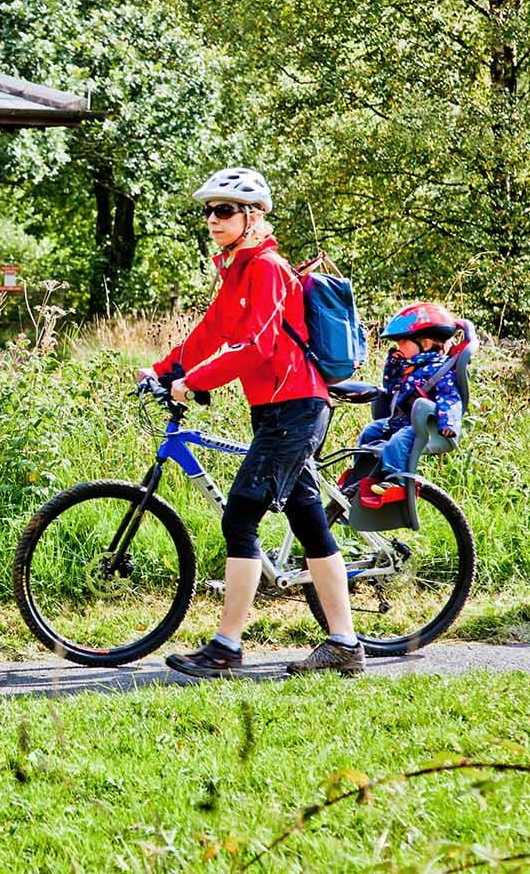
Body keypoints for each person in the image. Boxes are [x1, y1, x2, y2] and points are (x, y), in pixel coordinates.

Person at [138, 166, 364, 678]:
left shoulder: (267, 269)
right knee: (308, 518)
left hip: (296, 407)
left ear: (253, 217)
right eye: (209, 211)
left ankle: (226, 647)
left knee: (240, 516)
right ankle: (345, 645)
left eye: (224, 210)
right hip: (277, 409)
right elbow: (210, 332)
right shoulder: (237, 272)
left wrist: (194, 382)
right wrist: (163, 370)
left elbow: (255, 346)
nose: (213, 220)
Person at [346, 304, 463, 509]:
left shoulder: (440, 370)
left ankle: (395, 480)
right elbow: (391, 387)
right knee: (369, 432)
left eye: (402, 342)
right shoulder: (411, 366)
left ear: (425, 343)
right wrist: (393, 364)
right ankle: (360, 476)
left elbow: (450, 398)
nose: (398, 346)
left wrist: (448, 424)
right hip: (401, 420)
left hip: (425, 426)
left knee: (398, 441)